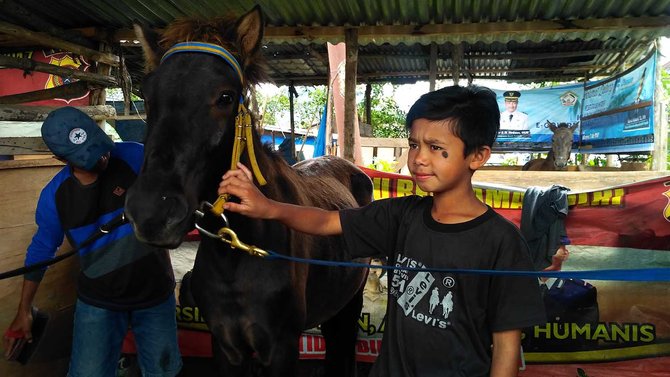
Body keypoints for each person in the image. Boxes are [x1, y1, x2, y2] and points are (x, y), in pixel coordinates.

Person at [218, 85, 546, 376]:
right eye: (414, 145)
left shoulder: (503, 243)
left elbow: (506, 346)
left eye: (436, 148)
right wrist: (269, 207)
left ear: (478, 156)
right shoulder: (400, 216)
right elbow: (325, 221)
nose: (419, 159)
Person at [2, 107, 181, 377]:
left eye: (100, 147)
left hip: (155, 294)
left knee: (164, 371)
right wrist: (24, 309)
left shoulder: (135, 156)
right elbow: (40, 251)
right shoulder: (55, 197)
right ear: (60, 158)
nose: (103, 158)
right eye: (89, 158)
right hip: (99, 302)